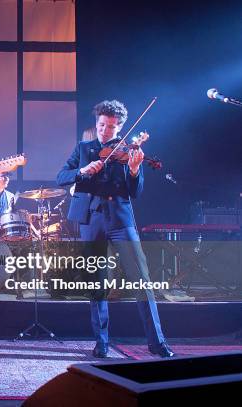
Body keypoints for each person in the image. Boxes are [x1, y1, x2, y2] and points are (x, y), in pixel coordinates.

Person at [56, 100, 174, 358]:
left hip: (121, 221)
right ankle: (101, 342)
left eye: (111, 127)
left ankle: (157, 342)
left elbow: (135, 192)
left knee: (142, 280)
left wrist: (133, 170)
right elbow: (61, 176)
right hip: (92, 220)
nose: (105, 132)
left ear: (119, 127)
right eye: (101, 125)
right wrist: (83, 170)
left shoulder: (128, 151)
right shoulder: (84, 149)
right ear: (96, 123)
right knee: (97, 283)